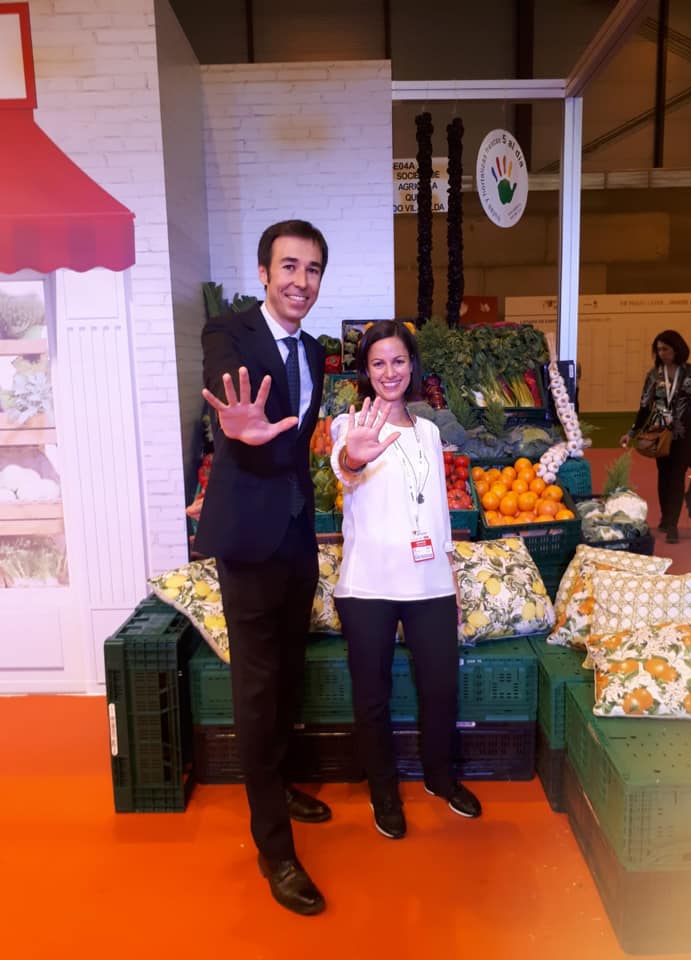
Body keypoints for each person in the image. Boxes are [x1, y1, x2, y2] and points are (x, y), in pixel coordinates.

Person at [194, 220, 330, 916]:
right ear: (263, 272)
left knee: (288, 675)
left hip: (297, 533)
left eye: (313, 269)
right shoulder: (230, 331)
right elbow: (225, 383)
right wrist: (235, 424)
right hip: (248, 536)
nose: (301, 281)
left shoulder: (316, 351)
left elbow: (299, 443)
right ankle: (274, 848)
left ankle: (278, 786)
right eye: (289, 266)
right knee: (256, 687)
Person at [330, 320, 481, 840]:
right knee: (372, 696)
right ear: (366, 371)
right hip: (368, 584)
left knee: (440, 688)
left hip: (429, 583)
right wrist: (354, 454)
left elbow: (436, 508)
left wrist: (451, 577)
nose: (389, 372)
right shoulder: (349, 424)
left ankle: (440, 777)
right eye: (378, 363)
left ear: (411, 365)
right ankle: (383, 791)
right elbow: (344, 469)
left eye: (398, 361)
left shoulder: (430, 431)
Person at [620, 329, 691, 544]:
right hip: (659, 433)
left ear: (677, 348)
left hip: (685, 434)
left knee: (677, 476)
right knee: (664, 476)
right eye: (658, 350)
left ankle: (673, 524)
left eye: (665, 349)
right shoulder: (653, 375)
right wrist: (631, 433)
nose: (661, 353)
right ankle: (666, 518)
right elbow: (644, 406)